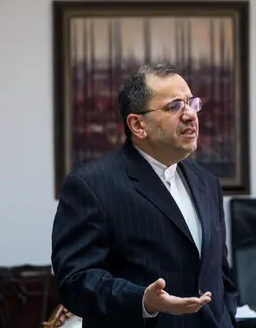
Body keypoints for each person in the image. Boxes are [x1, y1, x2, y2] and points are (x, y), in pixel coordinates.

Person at [51, 62, 239, 328]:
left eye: (191, 103)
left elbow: (219, 273)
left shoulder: (207, 182)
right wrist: (143, 301)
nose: (190, 115)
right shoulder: (91, 185)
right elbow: (76, 281)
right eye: (174, 106)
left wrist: (228, 318)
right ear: (138, 125)